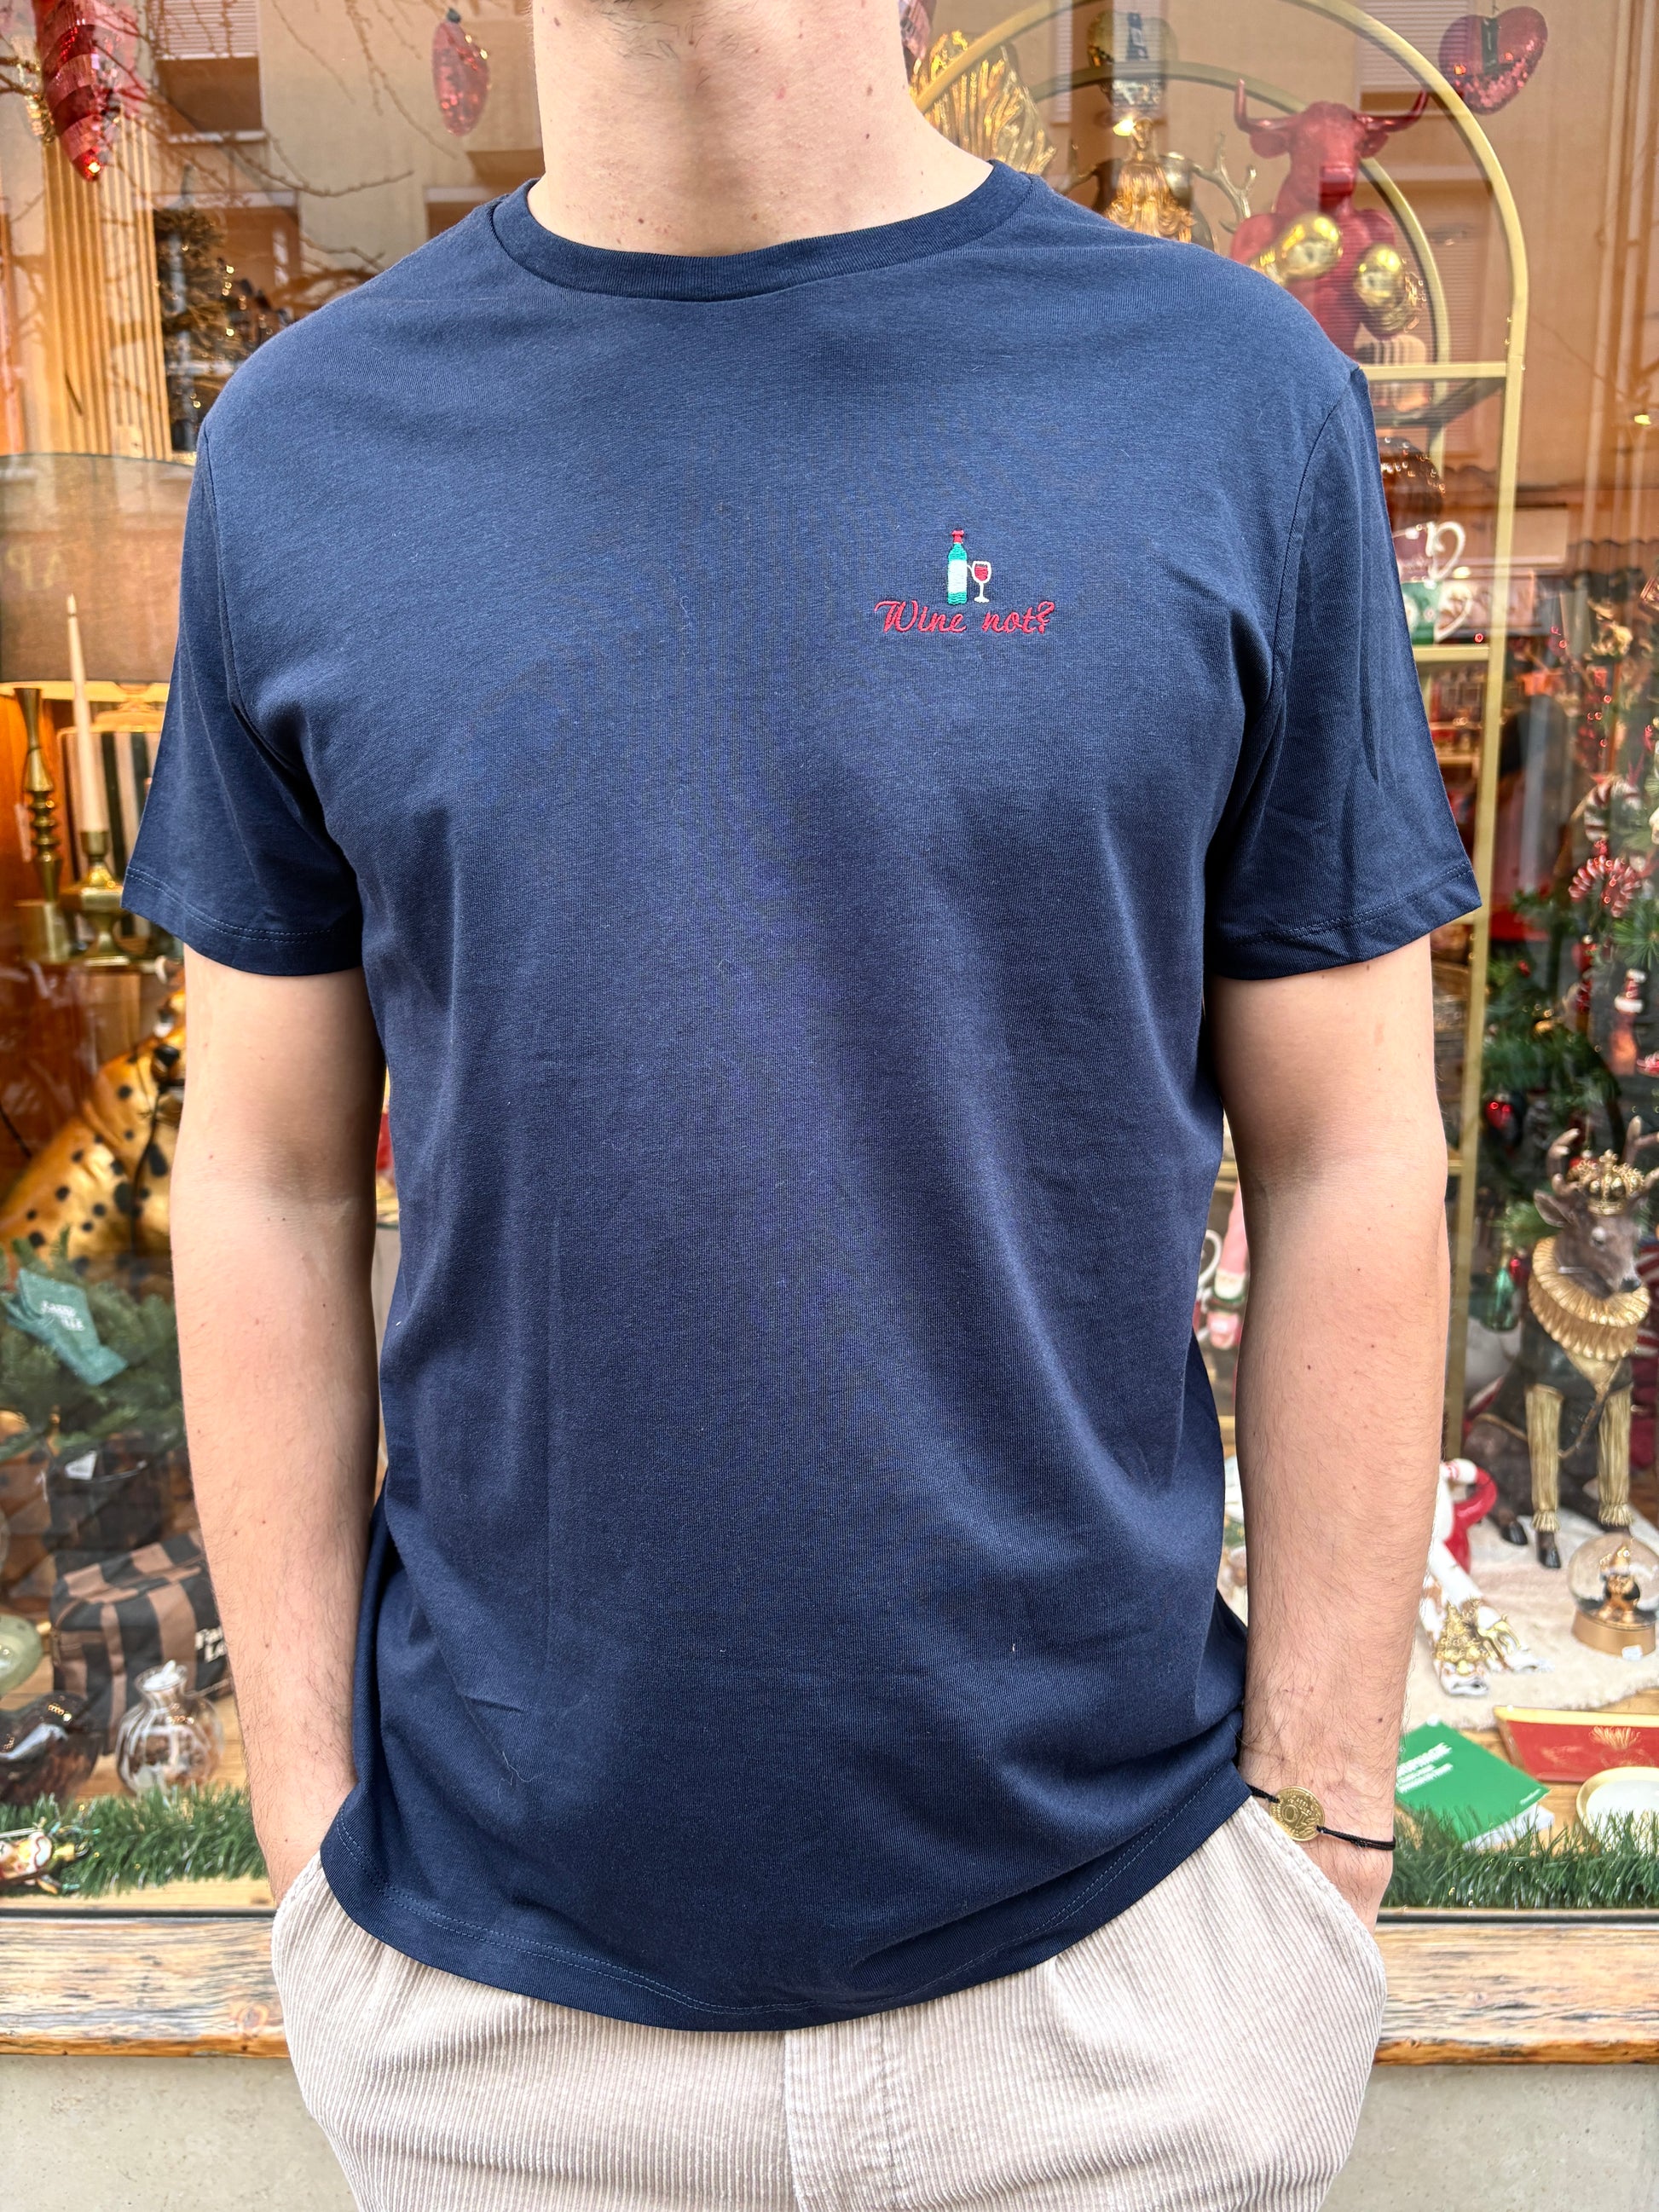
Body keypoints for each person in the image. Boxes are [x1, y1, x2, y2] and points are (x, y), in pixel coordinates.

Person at [126, 3, 1477, 2206]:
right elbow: (265, 1176)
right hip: (489, 2019)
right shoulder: (307, 445)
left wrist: (1319, 1824)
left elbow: (1350, 1149)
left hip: (1122, 1992)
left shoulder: (1223, 396)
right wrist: (306, 1819)